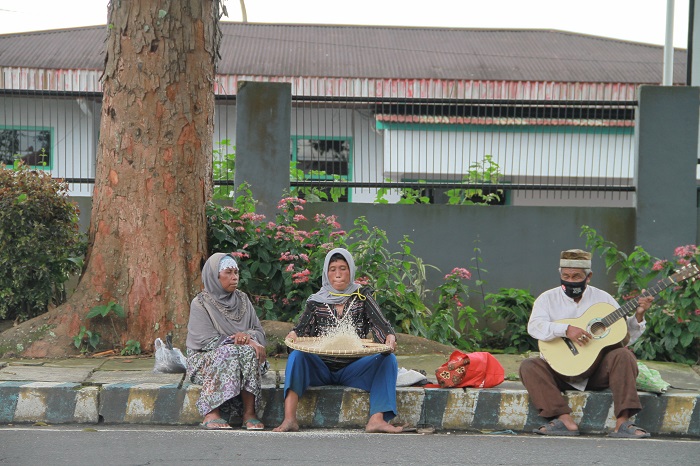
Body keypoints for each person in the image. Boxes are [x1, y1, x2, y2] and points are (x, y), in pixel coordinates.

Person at [519, 249, 654, 438]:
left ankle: (623, 423)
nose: (570, 280)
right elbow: (534, 327)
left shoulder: (604, 300)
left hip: (595, 372)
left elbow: (624, 337)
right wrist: (566, 330)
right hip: (559, 371)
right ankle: (564, 421)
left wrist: (639, 315)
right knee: (529, 366)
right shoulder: (547, 299)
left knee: (624, 355)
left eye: (576, 276)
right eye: (565, 276)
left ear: (588, 276)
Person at [273, 247, 406, 433]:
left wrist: (389, 337)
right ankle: (289, 419)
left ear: (351, 270)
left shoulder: (361, 296)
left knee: (388, 359)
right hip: (321, 368)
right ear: (326, 273)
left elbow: (381, 325)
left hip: (354, 368)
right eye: (333, 269)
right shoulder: (316, 301)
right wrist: (293, 335)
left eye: (343, 268)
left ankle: (377, 419)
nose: (338, 274)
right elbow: (300, 330)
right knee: (296, 356)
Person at [185, 253, 268, 430]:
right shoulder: (200, 303)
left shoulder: (243, 299)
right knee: (229, 352)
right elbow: (208, 341)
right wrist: (243, 340)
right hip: (205, 361)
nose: (235, 277)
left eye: (236, 272)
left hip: (240, 359)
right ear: (215, 276)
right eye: (228, 272)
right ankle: (211, 413)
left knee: (245, 351)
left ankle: (249, 413)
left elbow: (259, 332)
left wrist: (247, 338)